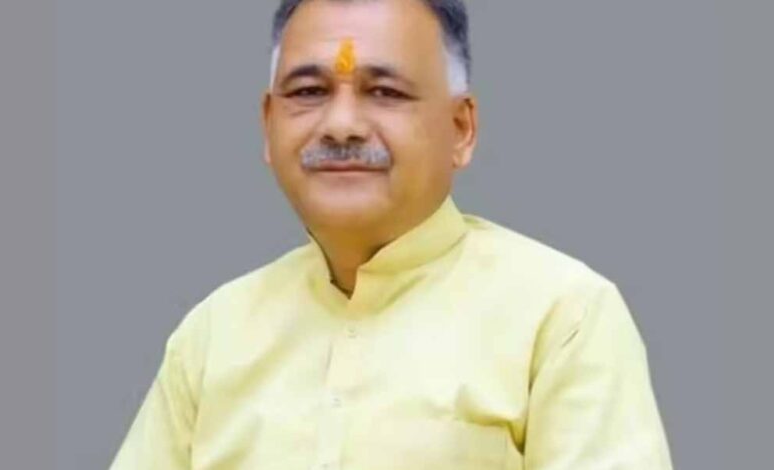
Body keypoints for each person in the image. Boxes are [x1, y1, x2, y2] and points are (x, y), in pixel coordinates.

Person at [110, 0, 674, 468]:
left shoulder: (561, 317)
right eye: (308, 92)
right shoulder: (214, 334)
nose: (341, 126)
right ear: (267, 124)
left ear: (461, 128)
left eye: (385, 92)